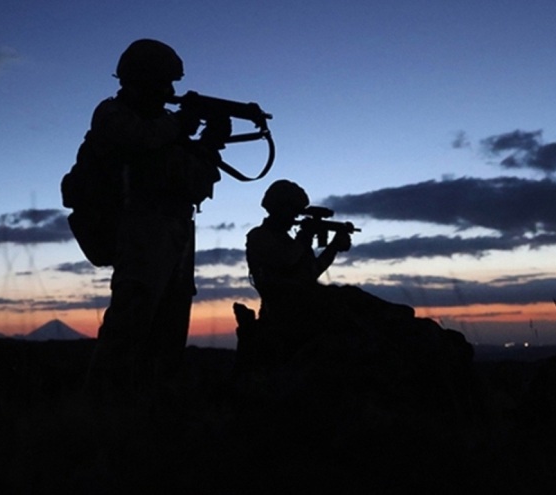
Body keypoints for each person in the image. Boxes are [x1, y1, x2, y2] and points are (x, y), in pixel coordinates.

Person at [81, 39, 231, 403]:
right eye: (164, 83)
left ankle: (152, 405)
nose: (169, 92)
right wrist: (181, 124)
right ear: (140, 81)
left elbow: (191, 181)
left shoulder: (165, 127)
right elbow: (140, 140)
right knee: (131, 322)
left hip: (175, 232)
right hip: (139, 229)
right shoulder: (113, 114)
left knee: (170, 326)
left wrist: (210, 143)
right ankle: (102, 408)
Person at [243, 179, 415, 361]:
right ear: (278, 208)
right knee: (347, 305)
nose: (295, 216)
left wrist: (334, 247)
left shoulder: (290, 240)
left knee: (351, 296)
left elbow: (310, 273)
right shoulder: (259, 236)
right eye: (292, 210)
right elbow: (286, 260)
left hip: (306, 302)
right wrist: (305, 236)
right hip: (284, 310)